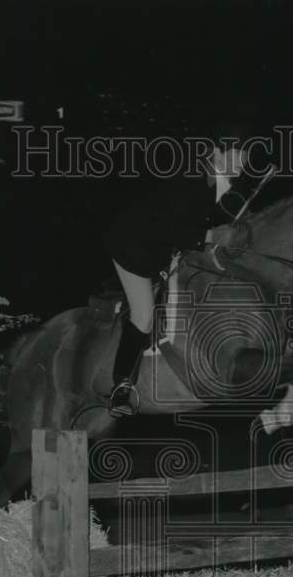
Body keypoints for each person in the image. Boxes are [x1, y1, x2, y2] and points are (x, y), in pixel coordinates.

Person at [106, 126, 271, 416]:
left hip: (166, 248)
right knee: (144, 314)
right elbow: (170, 229)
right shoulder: (189, 180)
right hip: (134, 246)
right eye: (236, 156)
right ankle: (121, 386)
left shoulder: (222, 184)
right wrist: (210, 236)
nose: (241, 164)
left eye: (244, 158)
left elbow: (220, 220)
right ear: (217, 152)